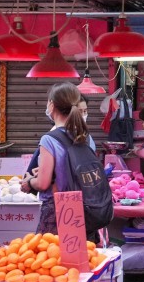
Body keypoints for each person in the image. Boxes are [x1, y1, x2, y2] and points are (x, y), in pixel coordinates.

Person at [26, 83, 103, 240]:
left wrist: (29, 182)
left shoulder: (49, 139)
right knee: (81, 260)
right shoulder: (86, 137)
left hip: (58, 211)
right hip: (84, 209)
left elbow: (42, 184)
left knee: (52, 260)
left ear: (52, 105)